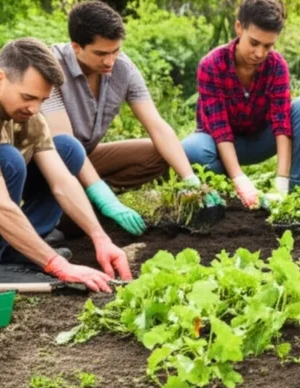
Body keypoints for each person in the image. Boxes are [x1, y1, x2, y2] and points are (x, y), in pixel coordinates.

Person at [0, 38, 131, 291]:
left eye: (42, 100)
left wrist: (100, 238)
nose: (35, 108)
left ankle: (17, 251)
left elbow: (62, 181)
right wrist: (58, 265)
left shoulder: (26, 111)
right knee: (8, 159)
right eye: (29, 97)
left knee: (67, 149)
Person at [42, 0, 204, 236]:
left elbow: (157, 126)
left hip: (88, 157)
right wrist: (107, 201)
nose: (110, 61)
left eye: (115, 51)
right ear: (76, 47)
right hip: (49, 165)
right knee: (67, 153)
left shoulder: (123, 68)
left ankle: (91, 202)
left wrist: (191, 180)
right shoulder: (51, 67)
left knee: (159, 152)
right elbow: (66, 144)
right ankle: (70, 211)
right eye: (100, 53)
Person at [182, 0, 300, 209]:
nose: (260, 53)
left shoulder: (276, 66)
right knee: (191, 150)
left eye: (268, 46)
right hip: (222, 146)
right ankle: (226, 186)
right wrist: (240, 180)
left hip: (261, 140)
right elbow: (220, 130)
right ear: (239, 28)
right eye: (254, 43)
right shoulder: (212, 65)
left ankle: (296, 188)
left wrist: (281, 182)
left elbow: (281, 123)